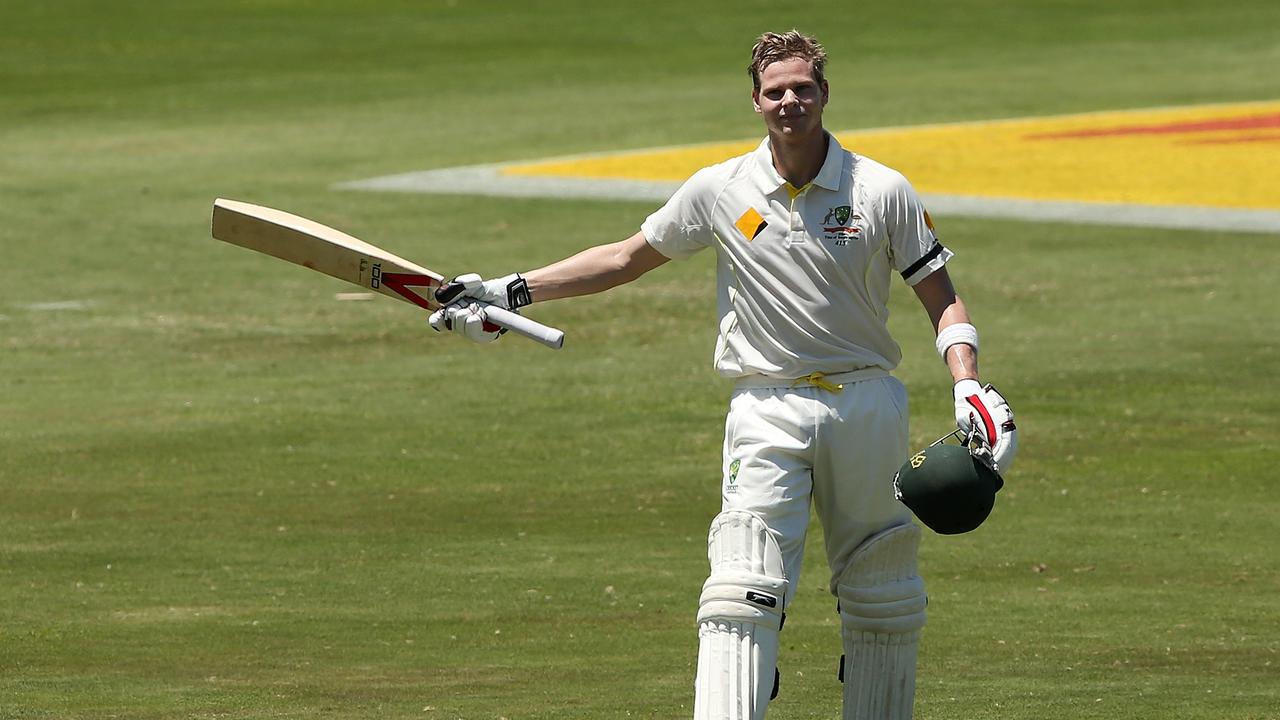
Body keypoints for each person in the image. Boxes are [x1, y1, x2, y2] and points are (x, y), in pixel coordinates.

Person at [429, 29, 1013, 720]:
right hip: (765, 405)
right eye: (775, 91)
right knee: (743, 588)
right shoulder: (721, 189)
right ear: (756, 102)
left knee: (883, 591)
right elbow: (623, 259)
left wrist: (967, 382)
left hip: (866, 401)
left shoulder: (881, 189)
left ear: (825, 94)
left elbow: (939, 294)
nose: (790, 101)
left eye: (802, 88)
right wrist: (509, 291)